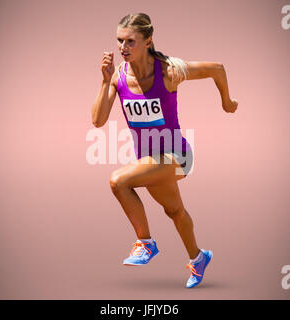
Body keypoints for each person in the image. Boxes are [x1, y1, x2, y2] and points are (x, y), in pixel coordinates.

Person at [91, 13, 238, 288]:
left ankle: (145, 243)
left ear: (148, 41)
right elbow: (98, 121)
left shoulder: (169, 71)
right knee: (175, 212)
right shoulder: (118, 78)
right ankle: (199, 258)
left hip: (177, 157)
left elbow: (217, 68)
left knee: (118, 181)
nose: (123, 47)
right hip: (149, 162)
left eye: (130, 41)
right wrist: (104, 80)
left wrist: (227, 102)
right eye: (120, 41)